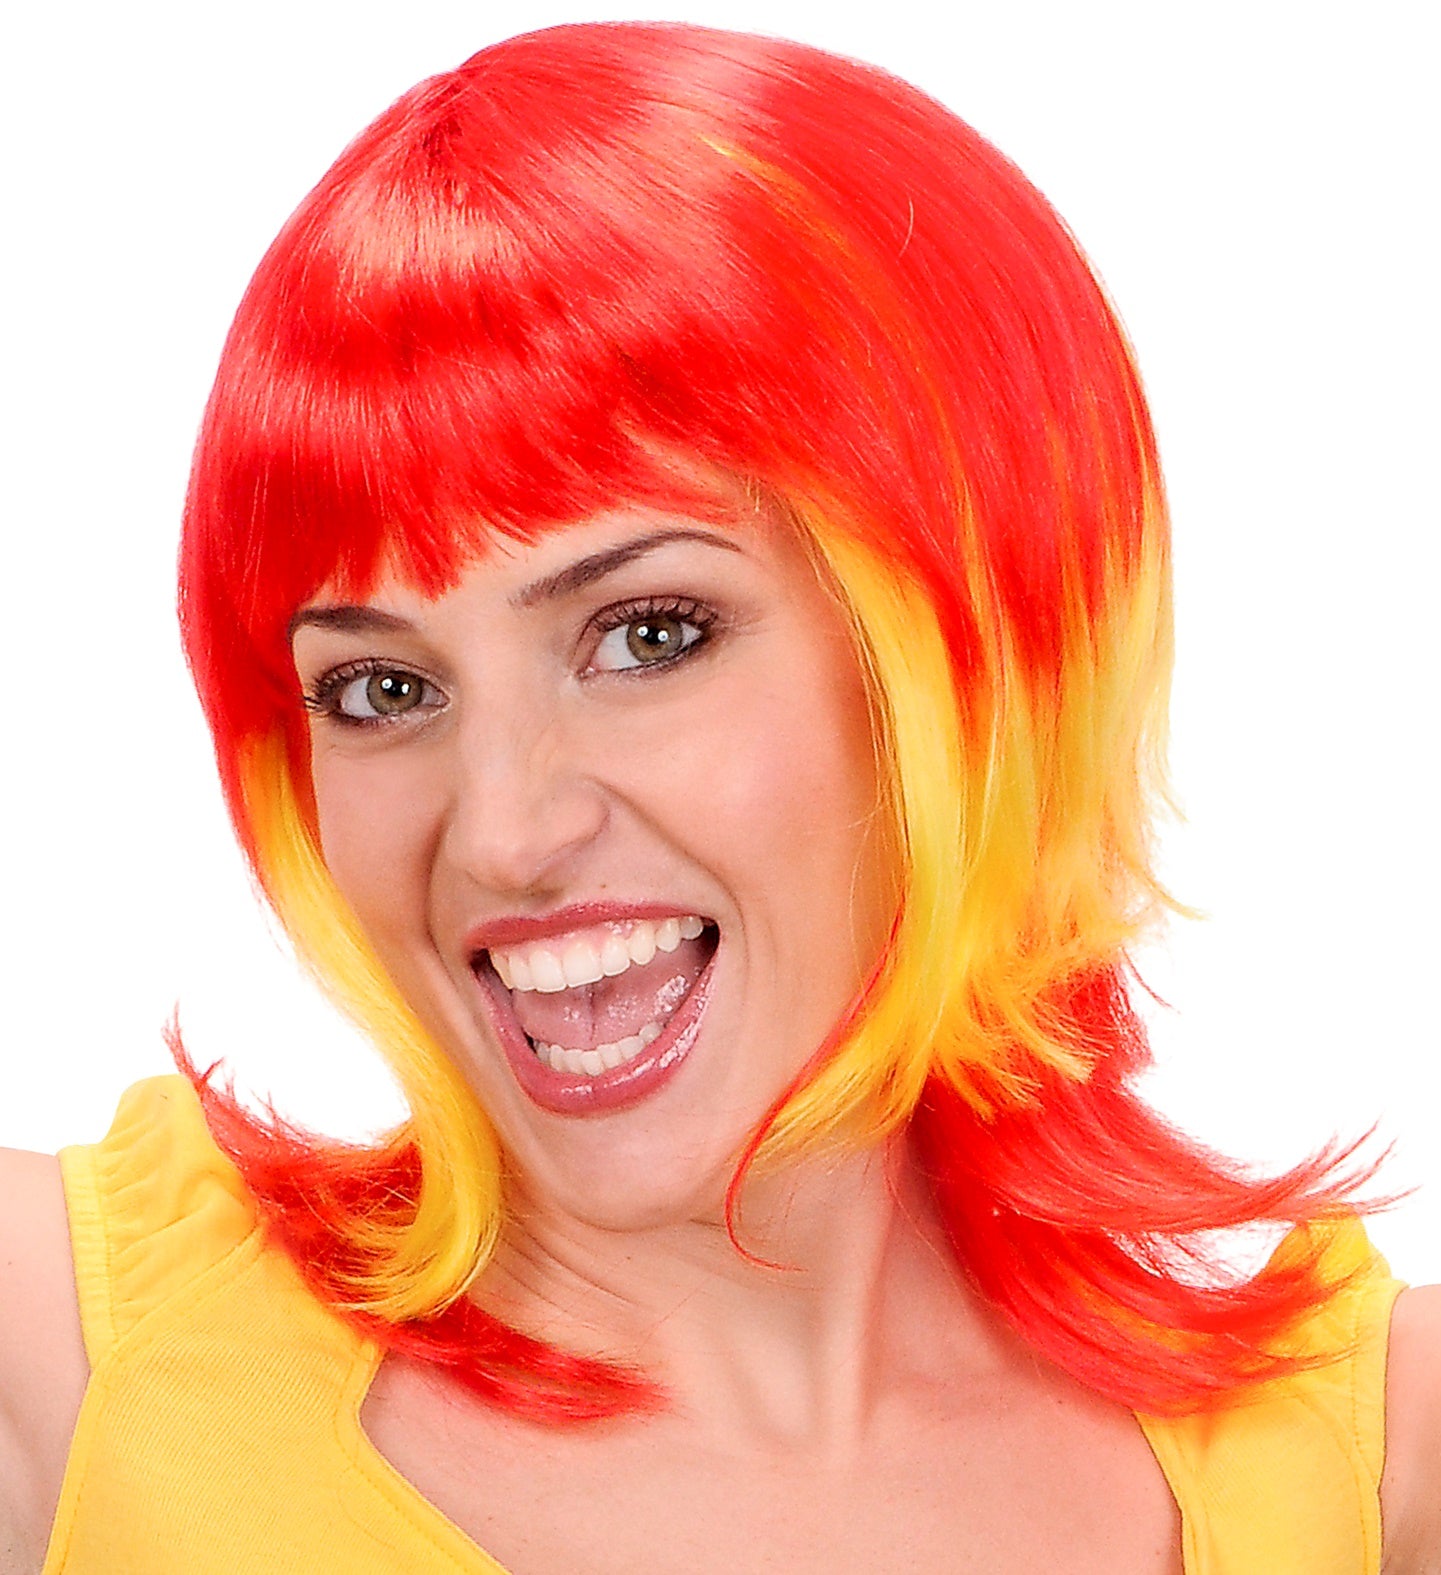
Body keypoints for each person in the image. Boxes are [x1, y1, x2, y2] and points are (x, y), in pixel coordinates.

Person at [1, 21, 1436, 1573]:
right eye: (383, 692)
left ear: (980, 645)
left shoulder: (1362, 1476)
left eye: (646, 635)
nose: (501, 834)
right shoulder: (68, 1359)